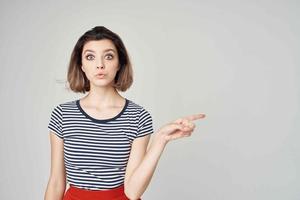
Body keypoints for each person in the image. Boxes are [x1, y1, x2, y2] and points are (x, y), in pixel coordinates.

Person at [44, 26, 206, 200]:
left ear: (119, 63)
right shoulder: (62, 114)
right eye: (90, 57)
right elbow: (56, 182)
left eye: (109, 56)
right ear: (81, 65)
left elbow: (133, 192)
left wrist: (160, 140)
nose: (100, 64)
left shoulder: (138, 116)